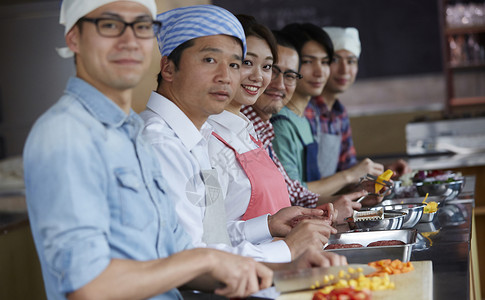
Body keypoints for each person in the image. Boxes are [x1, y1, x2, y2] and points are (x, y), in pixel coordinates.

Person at [24, 2, 328, 299]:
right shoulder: (70, 134)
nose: (131, 41)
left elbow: (193, 245)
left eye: (143, 28)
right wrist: (270, 253)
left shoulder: (132, 132)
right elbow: (88, 286)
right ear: (74, 38)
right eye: (111, 25)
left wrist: (279, 266)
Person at [141, 4, 345, 272]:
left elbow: (212, 234)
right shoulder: (158, 143)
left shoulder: (196, 137)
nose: (227, 77)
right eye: (210, 60)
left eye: (235, 64)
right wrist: (287, 249)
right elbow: (192, 259)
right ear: (168, 68)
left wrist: (268, 225)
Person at [205, 14, 338, 260]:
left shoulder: (249, 130)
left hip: (281, 264)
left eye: (266, 66)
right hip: (255, 274)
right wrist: (280, 242)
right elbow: (208, 243)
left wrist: (280, 223)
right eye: (246, 63)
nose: (259, 76)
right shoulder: (207, 138)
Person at [242, 30, 365, 222]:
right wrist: (342, 191)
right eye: (271, 69)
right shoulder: (276, 122)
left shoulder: (264, 128)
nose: (280, 84)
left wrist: (351, 197)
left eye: (290, 75)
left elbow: (293, 192)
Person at [304, 26, 411, 182]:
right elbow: (301, 185)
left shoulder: (339, 113)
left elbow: (347, 168)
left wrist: (384, 171)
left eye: (351, 61)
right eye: (334, 60)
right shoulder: (305, 111)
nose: (344, 69)